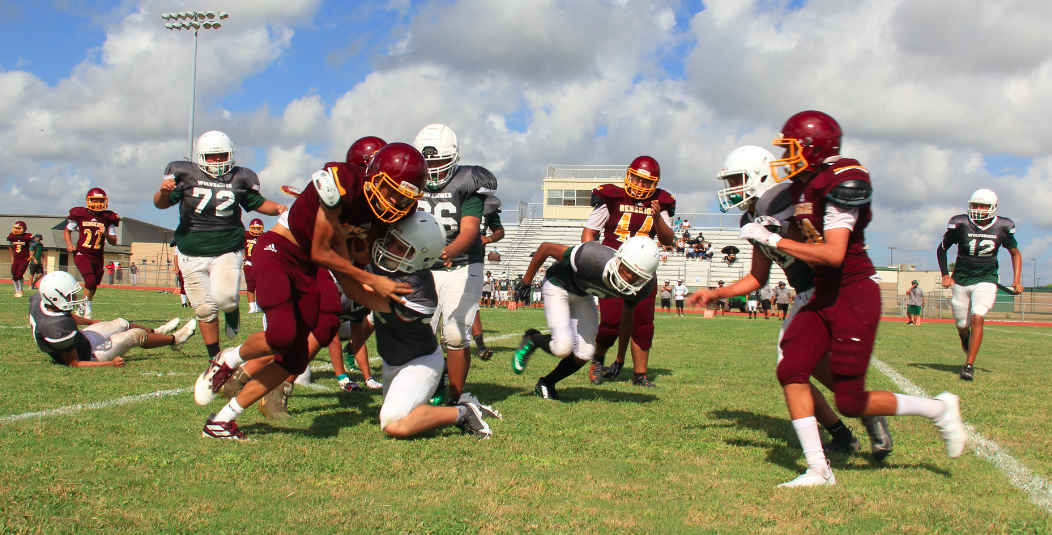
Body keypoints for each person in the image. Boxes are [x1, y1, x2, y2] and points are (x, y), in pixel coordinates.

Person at [737, 110, 965, 486]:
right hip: (822, 293)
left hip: (854, 292)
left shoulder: (842, 180)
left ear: (815, 148)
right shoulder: (800, 188)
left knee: (850, 400)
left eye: (791, 149)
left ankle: (939, 408)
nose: (785, 158)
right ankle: (818, 468)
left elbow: (833, 255)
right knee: (790, 368)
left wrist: (774, 239)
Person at [195, 143, 427, 440]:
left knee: (294, 359)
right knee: (282, 336)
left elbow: (353, 280)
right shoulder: (343, 181)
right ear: (372, 175)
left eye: (404, 196)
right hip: (280, 250)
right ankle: (228, 360)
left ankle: (221, 421)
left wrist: (396, 307)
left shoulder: (384, 215)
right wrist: (372, 278)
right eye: (391, 190)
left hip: (311, 267)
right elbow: (320, 251)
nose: (394, 201)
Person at [691, 143, 892, 462]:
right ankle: (848, 427)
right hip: (808, 293)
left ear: (759, 176)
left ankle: (854, 421)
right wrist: (717, 293)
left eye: (736, 180)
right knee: (795, 366)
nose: (732, 189)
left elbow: (823, 250)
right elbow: (758, 276)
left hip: (833, 289)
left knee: (794, 365)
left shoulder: (793, 200)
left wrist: (778, 234)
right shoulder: (751, 215)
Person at [154, 131, 287, 363]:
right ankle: (214, 357)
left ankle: (232, 311)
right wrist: (163, 192)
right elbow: (161, 204)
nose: (217, 161)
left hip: (227, 248)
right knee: (205, 309)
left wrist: (279, 208)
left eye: (221, 156)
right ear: (200, 156)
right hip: (190, 251)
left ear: (231, 154)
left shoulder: (239, 177)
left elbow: (256, 203)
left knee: (225, 299)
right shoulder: (184, 173)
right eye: (211, 156)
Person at [412, 124, 498, 404]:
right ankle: (429, 388)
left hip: (462, 263)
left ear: (453, 159)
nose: (433, 169)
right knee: (421, 332)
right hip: (422, 266)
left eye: (439, 161)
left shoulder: (467, 182)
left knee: (454, 333)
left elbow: (470, 230)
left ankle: (455, 398)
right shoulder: (409, 183)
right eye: (428, 162)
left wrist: (451, 250)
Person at [513, 236, 660, 400]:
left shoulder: (643, 288)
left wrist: (620, 359)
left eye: (637, 276)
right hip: (558, 284)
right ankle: (533, 339)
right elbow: (546, 247)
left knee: (585, 353)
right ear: (619, 258)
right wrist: (525, 282)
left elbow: (626, 321)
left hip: (583, 295)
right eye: (627, 270)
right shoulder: (592, 256)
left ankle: (546, 383)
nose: (628, 279)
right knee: (562, 347)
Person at [582, 155, 676, 387]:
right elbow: (589, 232)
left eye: (646, 182)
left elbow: (667, 239)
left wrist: (656, 218)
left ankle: (640, 375)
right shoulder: (611, 197)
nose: (641, 185)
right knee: (611, 321)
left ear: (654, 183)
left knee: (644, 323)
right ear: (628, 176)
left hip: (644, 270)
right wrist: (592, 258)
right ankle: (599, 359)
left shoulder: (660, 202)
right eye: (636, 179)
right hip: (613, 266)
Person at [937, 188, 1023, 381]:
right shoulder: (960, 223)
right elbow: (942, 249)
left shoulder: (1003, 225)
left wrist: (1016, 280)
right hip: (961, 279)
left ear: (993, 208)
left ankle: (968, 365)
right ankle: (964, 336)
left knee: (978, 316)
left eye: (983, 206)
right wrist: (945, 274)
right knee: (962, 325)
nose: (979, 209)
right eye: (975, 205)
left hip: (987, 278)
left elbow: (1015, 252)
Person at [30, 272, 197, 368]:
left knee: (121, 323)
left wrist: (90, 323)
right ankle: (175, 340)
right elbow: (75, 363)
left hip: (81, 339)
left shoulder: (41, 301)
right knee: (135, 335)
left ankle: (157, 332)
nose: (74, 297)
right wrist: (109, 364)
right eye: (70, 295)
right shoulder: (56, 329)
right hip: (89, 355)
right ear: (55, 297)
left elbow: (62, 314)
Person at [65, 188, 120, 318]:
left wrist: (105, 233)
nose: (97, 202)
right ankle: (88, 311)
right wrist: (69, 244)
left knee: (94, 283)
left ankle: (82, 307)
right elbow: (67, 230)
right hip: (82, 252)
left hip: (97, 255)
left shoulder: (108, 218)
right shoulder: (80, 214)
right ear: (88, 201)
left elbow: (113, 242)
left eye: (100, 200)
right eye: (94, 200)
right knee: (89, 280)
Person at [7, 221, 33, 297]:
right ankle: (16, 291)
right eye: (15, 228)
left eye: (18, 228)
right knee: (14, 274)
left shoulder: (28, 237)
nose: (16, 230)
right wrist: (12, 257)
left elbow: (33, 246)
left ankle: (21, 290)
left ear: (24, 229)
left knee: (19, 274)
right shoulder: (11, 236)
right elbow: (10, 247)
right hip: (16, 258)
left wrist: (31, 255)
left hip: (24, 258)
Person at [244, 219, 264, 313]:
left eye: (258, 228)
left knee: (260, 286)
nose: (256, 230)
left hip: (261, 264)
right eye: (254, 228)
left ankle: (259, 306)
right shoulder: (245, 236)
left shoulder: (264, 237)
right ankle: (252, 307)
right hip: (249, 263)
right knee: (250, 286)